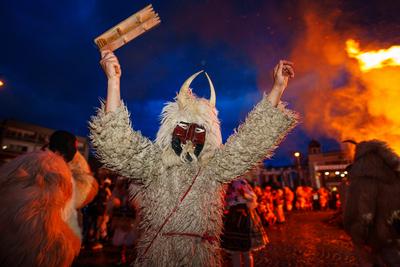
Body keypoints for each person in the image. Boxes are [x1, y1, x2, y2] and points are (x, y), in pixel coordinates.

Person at [89, 49, 298, 266]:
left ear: (208, 136)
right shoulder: (154, 164)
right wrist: (113, 82)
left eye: (197, 132)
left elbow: (250, 142)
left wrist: (277, 88)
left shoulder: (215, 169)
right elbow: (117, 143)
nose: (189, 141)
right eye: (183, 130)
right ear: (171, 130)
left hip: (199, 257)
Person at [0, 130, 98, 267]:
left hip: (6, 244)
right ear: (71, 150)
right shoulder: (60, 174)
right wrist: (77, 160)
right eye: (75, 148)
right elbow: (87, 191)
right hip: (40, 252)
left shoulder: (20, 163)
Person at [343, 140, 400, 266]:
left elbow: (365, 212)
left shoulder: (364, 179)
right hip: (394, 233)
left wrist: (360, 236)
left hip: (376, 237)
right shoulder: (395, 176)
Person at [221, 178, 268, 267]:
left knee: (246, 251)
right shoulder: (229, 184)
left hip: (246, 218)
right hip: (233, 218)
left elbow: (253, 197)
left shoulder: (242, 182)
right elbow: (226, 202)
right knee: (234, 252)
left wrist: (244, 195)